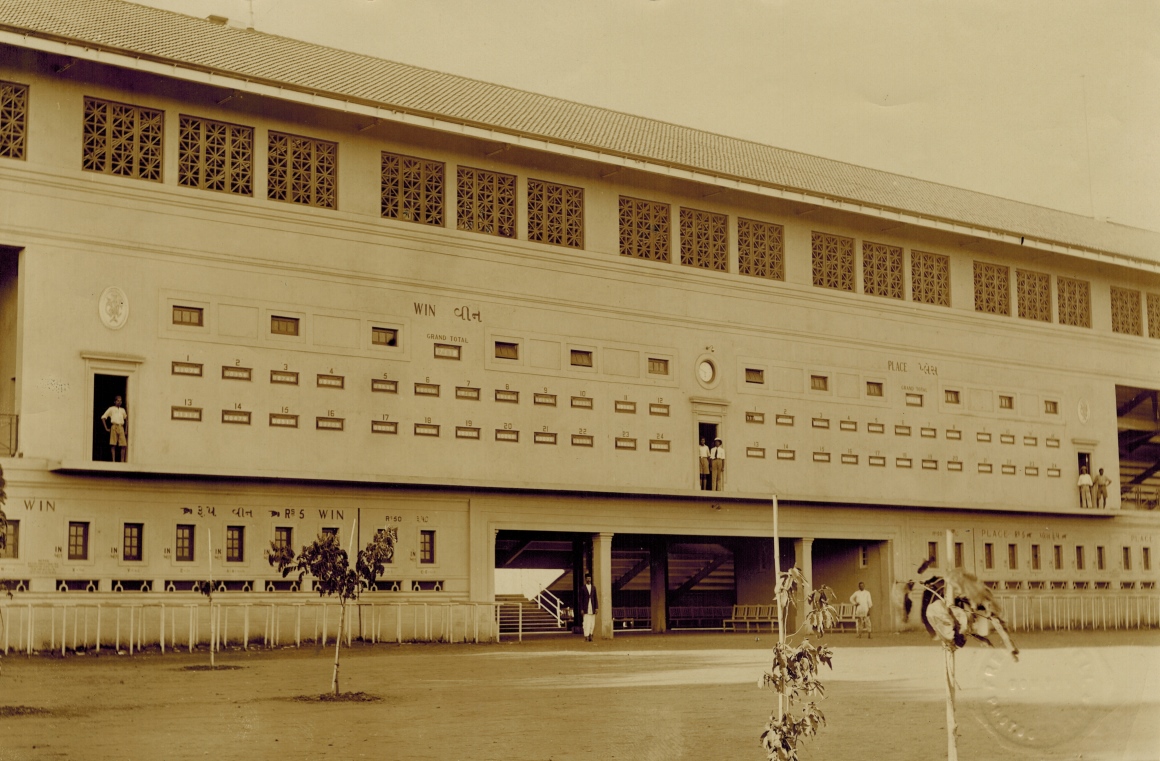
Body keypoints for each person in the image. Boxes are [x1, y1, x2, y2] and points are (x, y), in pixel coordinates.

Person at [101, 395, 128, 462]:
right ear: (115, 401)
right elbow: (103, 417)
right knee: (113, 444)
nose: (119, 402)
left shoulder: (122, 410)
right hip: (114, 426)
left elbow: (126, 419)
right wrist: (106, 428)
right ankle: (113, 461)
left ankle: (122, 461)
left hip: (121, 427)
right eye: (118, 400)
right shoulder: (111, 409)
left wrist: (126, 430)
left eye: (120, 400)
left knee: (123, 445)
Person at [578, 572, 598, 641]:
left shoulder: (593, 588)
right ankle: (586, 635)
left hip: (592, 607)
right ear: (585, 579)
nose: (589, 579)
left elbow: (595, 598)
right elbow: (580, 599)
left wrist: (596, 607)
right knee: (586, 622)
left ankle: (590, 635)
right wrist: (581, 609)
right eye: (587, 578)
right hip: (585, 607)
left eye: (590, 578)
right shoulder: (582, 588)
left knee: (592, 622)